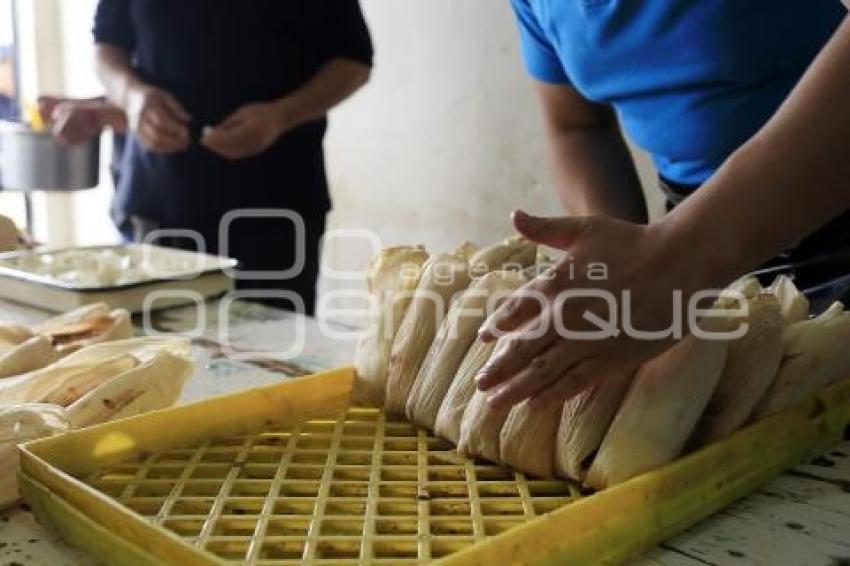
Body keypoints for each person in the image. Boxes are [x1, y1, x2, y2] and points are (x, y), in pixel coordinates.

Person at [475, 1, 850, 409]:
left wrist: (678, 258)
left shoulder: (684, 258)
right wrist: (621, 273)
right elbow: (577, 129)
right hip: (693, 248)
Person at [92, 1, 373, 315]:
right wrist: (131, 96)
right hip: (159, 199)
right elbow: (106, 45)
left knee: (276, 353)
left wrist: (282, 115)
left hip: (276, 206)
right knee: (154, 349)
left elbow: (353, 61)